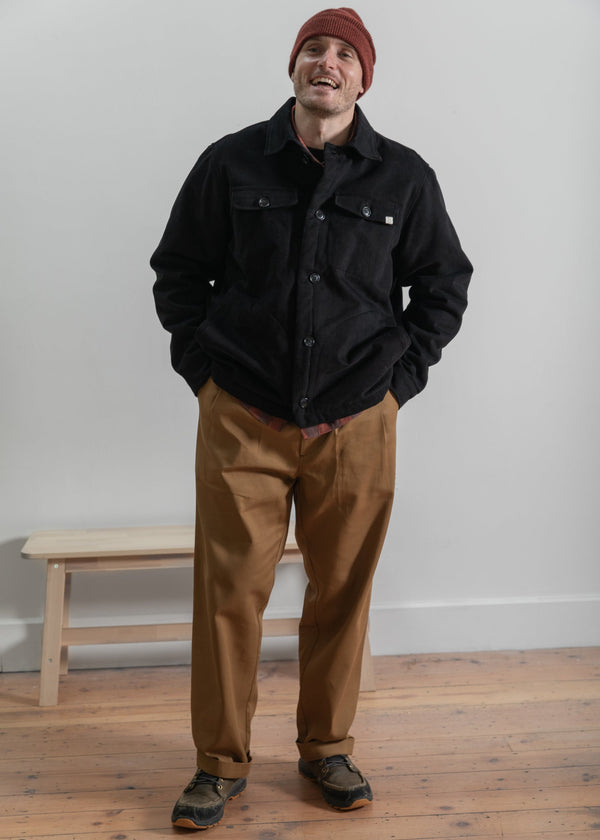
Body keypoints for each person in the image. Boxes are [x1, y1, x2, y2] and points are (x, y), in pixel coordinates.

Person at [151, 7, 472, 830]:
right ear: (293, 68)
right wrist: (206, 376)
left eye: (343, 55)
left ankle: (326, 746)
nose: (325, 63)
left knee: (342, 592)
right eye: (312, 50)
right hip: (242, 416)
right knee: (229, 592)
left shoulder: (404, 178)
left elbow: (442, 288)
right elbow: (178, 273)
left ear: (364, 78)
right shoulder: (229, 163)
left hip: (358, 420)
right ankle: (218, 764)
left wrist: (397, 385)